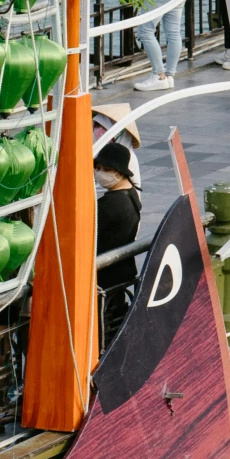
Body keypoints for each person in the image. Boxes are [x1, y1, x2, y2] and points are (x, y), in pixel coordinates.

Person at [94, 142, 143, 342]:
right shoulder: (132, 195)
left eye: (107, 170)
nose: (100, 173)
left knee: (102, 330)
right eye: (97, 168)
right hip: (120, 274)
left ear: (121, 172)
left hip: (105, 278)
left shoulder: (110, 204)